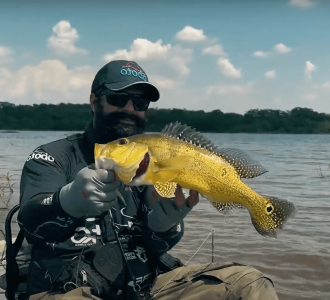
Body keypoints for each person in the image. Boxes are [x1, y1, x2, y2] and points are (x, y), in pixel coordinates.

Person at [18, 60, 279, 300]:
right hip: (69, 289)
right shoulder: (51, 156)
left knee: (248, 284)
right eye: (118, 99)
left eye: (140, 103)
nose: (130, 109)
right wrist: (66, 201)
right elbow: (29, 222)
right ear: (94, 101)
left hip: (147, 289)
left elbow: (158, 244)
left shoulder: (148, 164)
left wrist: (164, 227)